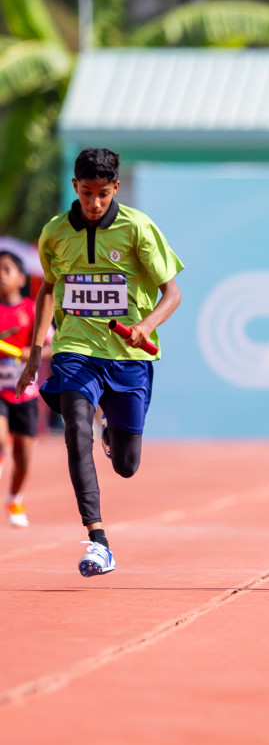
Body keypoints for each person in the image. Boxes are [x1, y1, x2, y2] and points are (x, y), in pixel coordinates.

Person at [15, 148, 184, 577]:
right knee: (75, 428)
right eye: (86, 193)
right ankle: (98, 540)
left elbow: (173, 294)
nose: (93, 204)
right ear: (74, 187)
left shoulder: (138, 229)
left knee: (126, 466)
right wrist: (36, 353)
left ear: (116, 189)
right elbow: (49, 290)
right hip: (76, 350)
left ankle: (112, 426)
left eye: (103, 195)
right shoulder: (54, 233)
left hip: (128, 355)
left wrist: (145, 326)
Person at [0, 249, 44, 527]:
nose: (1, 276)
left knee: (23, 456)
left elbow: (51, 345)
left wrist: (34, 351)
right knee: (0, 439)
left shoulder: (33, 310)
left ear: (21, 277)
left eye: (6, 270)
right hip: (0, 392)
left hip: (25, 393)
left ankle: (15, 498)